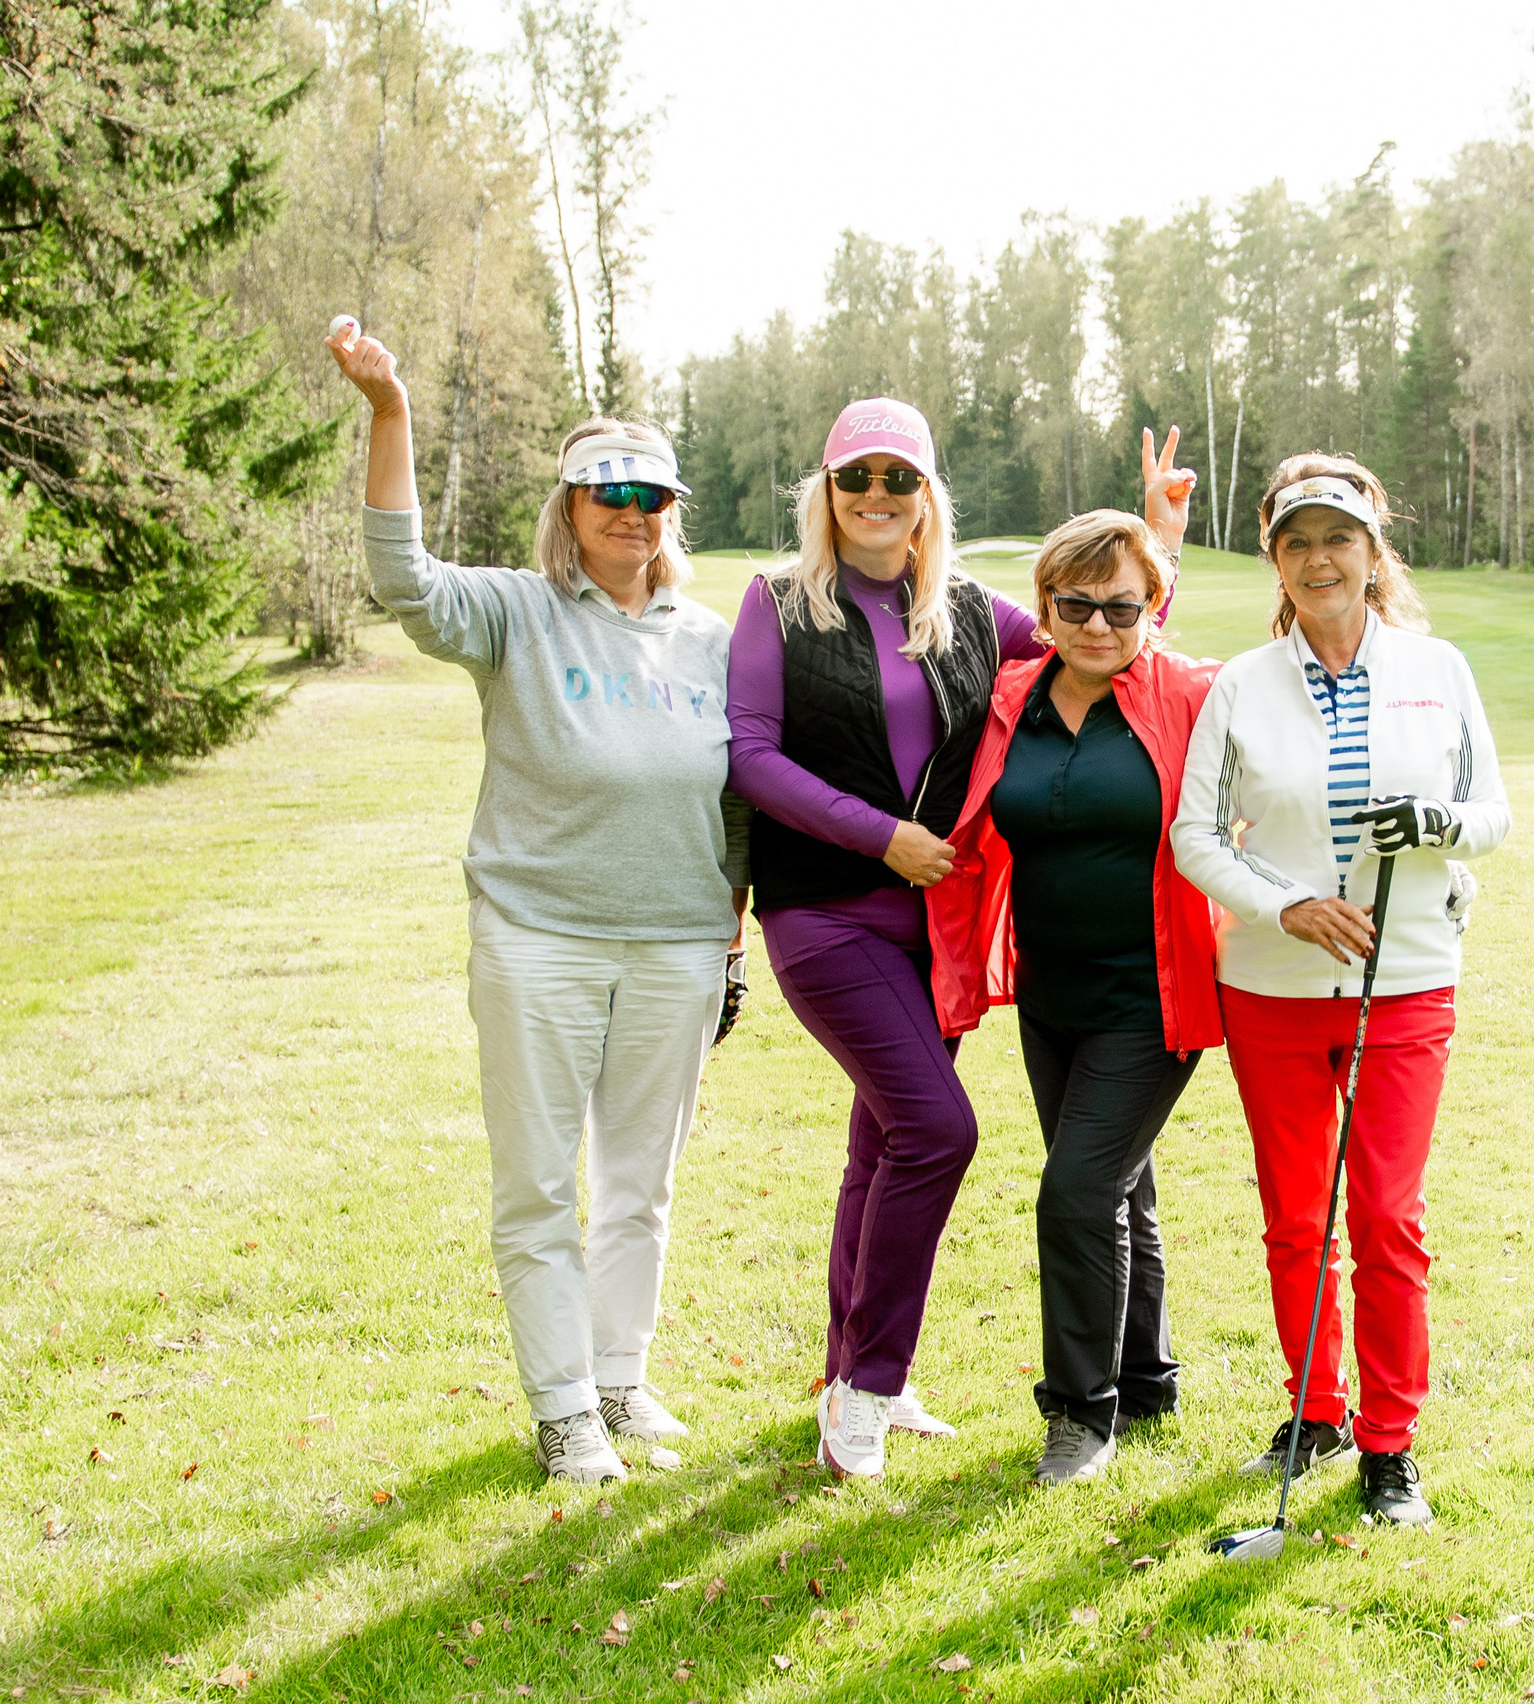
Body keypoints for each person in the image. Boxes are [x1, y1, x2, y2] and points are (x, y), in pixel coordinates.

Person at [327, 316, 748, 1487]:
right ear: (567, 507)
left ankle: (619, 1378)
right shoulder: (514, 610)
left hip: (675, 946)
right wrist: (390, 411)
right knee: (539, 1185)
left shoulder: (710, 641)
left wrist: (729, 938)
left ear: (672, 510)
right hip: (539, 940)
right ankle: (562, 1408)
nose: (630, 511)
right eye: (605, 491)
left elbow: (740, 796)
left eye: (650, 495)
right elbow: (401, 580)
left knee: (639, 1185)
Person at [726, 396, 1073, 1479]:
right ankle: (869, 1386)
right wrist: (880, 839)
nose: (876, 497)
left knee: (881, 1143)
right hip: (825, 914)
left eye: (899, 479)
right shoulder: (778, 602)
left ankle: (852, 1374)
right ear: (825, 493)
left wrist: (1152, 539)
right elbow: (749, 752)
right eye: (855, 478)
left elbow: (1097, 636)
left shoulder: (970, 611)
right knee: (937, 1129)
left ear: (928, 496)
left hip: (940, 926)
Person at [1169, 454, 1509, 1529]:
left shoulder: (1436, 666)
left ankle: (1388, 1443)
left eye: (1340, 540)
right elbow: (1191, 838)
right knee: (1294, 1219)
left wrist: (1439, 826)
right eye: (1297, 542)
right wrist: (1285, 905)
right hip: (1271, 986)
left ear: (1372, 555)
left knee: (1385, 1218)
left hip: (1403, 982)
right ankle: (1314, 1406)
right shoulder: (1241, 681)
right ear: (1277, 560)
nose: (1320, 559)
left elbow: (1490, 812)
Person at [927, 440, 1221, 1486]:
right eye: (1078, 605)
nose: (1100, 625)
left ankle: (1080, 1413)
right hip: (1049, 997)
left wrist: (1163, 539)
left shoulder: (1181, 691)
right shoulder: (1013, 693)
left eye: (1124, 609)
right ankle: (1145, 1382)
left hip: (1154, 996)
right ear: (1044, 604)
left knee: (1073, 1191)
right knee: (1118, 1191)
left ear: (1151, 612)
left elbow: (1197, 664)